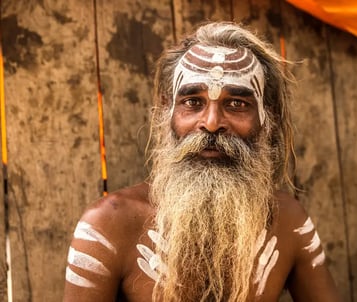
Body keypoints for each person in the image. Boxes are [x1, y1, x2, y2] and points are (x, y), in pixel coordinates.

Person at [63, 21, 341, 302]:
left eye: (236, 104)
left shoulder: (289, 222)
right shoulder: (109, 225)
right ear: (166, 113)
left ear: (266, 119)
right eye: (193, 102)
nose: (211, 123)